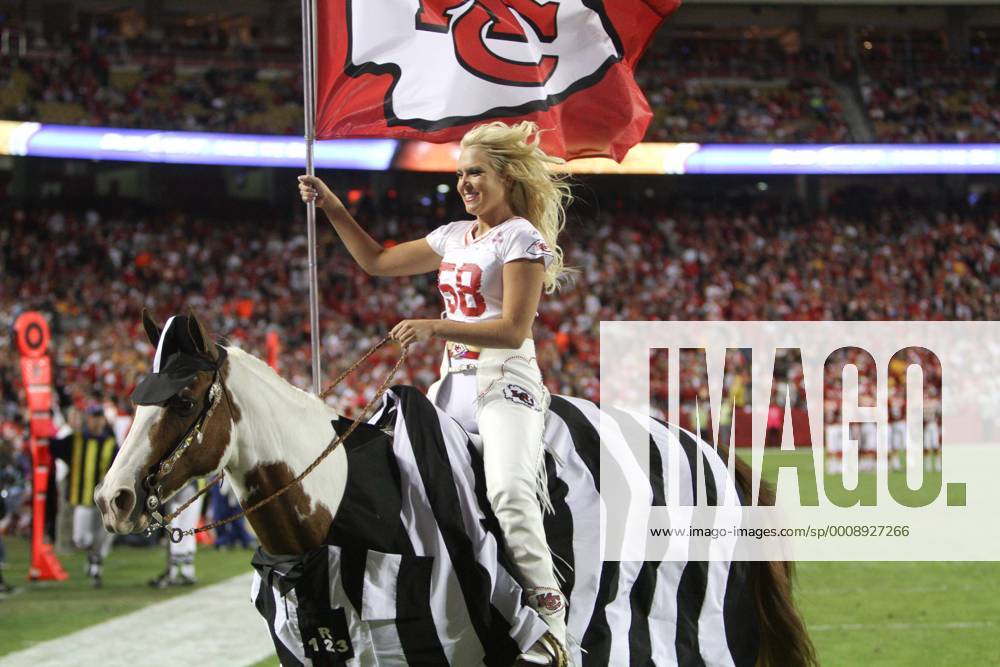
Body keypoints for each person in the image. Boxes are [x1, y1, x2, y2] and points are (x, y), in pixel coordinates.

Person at [298, 120, 571, 665]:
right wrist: (331, 206)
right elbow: (375, 262)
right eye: (460, 174)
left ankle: (551, 623)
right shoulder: (451, 236)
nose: (465, 183)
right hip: (450, 386)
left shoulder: (521, 237)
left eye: (477, 173)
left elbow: (514, 329)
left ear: (508, 176)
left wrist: (433, 326)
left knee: (510, 495)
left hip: (505, 382)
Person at [50, 403, 118, 587]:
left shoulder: (111, 444)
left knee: (104, 535)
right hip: (83, 498)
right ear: (87, 419)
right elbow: (52, 447)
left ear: (103, 420)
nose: (96, 421)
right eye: (93, 417)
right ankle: (92, 556)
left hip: (104, 500)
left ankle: (96, 565)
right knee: (81, 538)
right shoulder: (76, 440)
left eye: (99, 417)